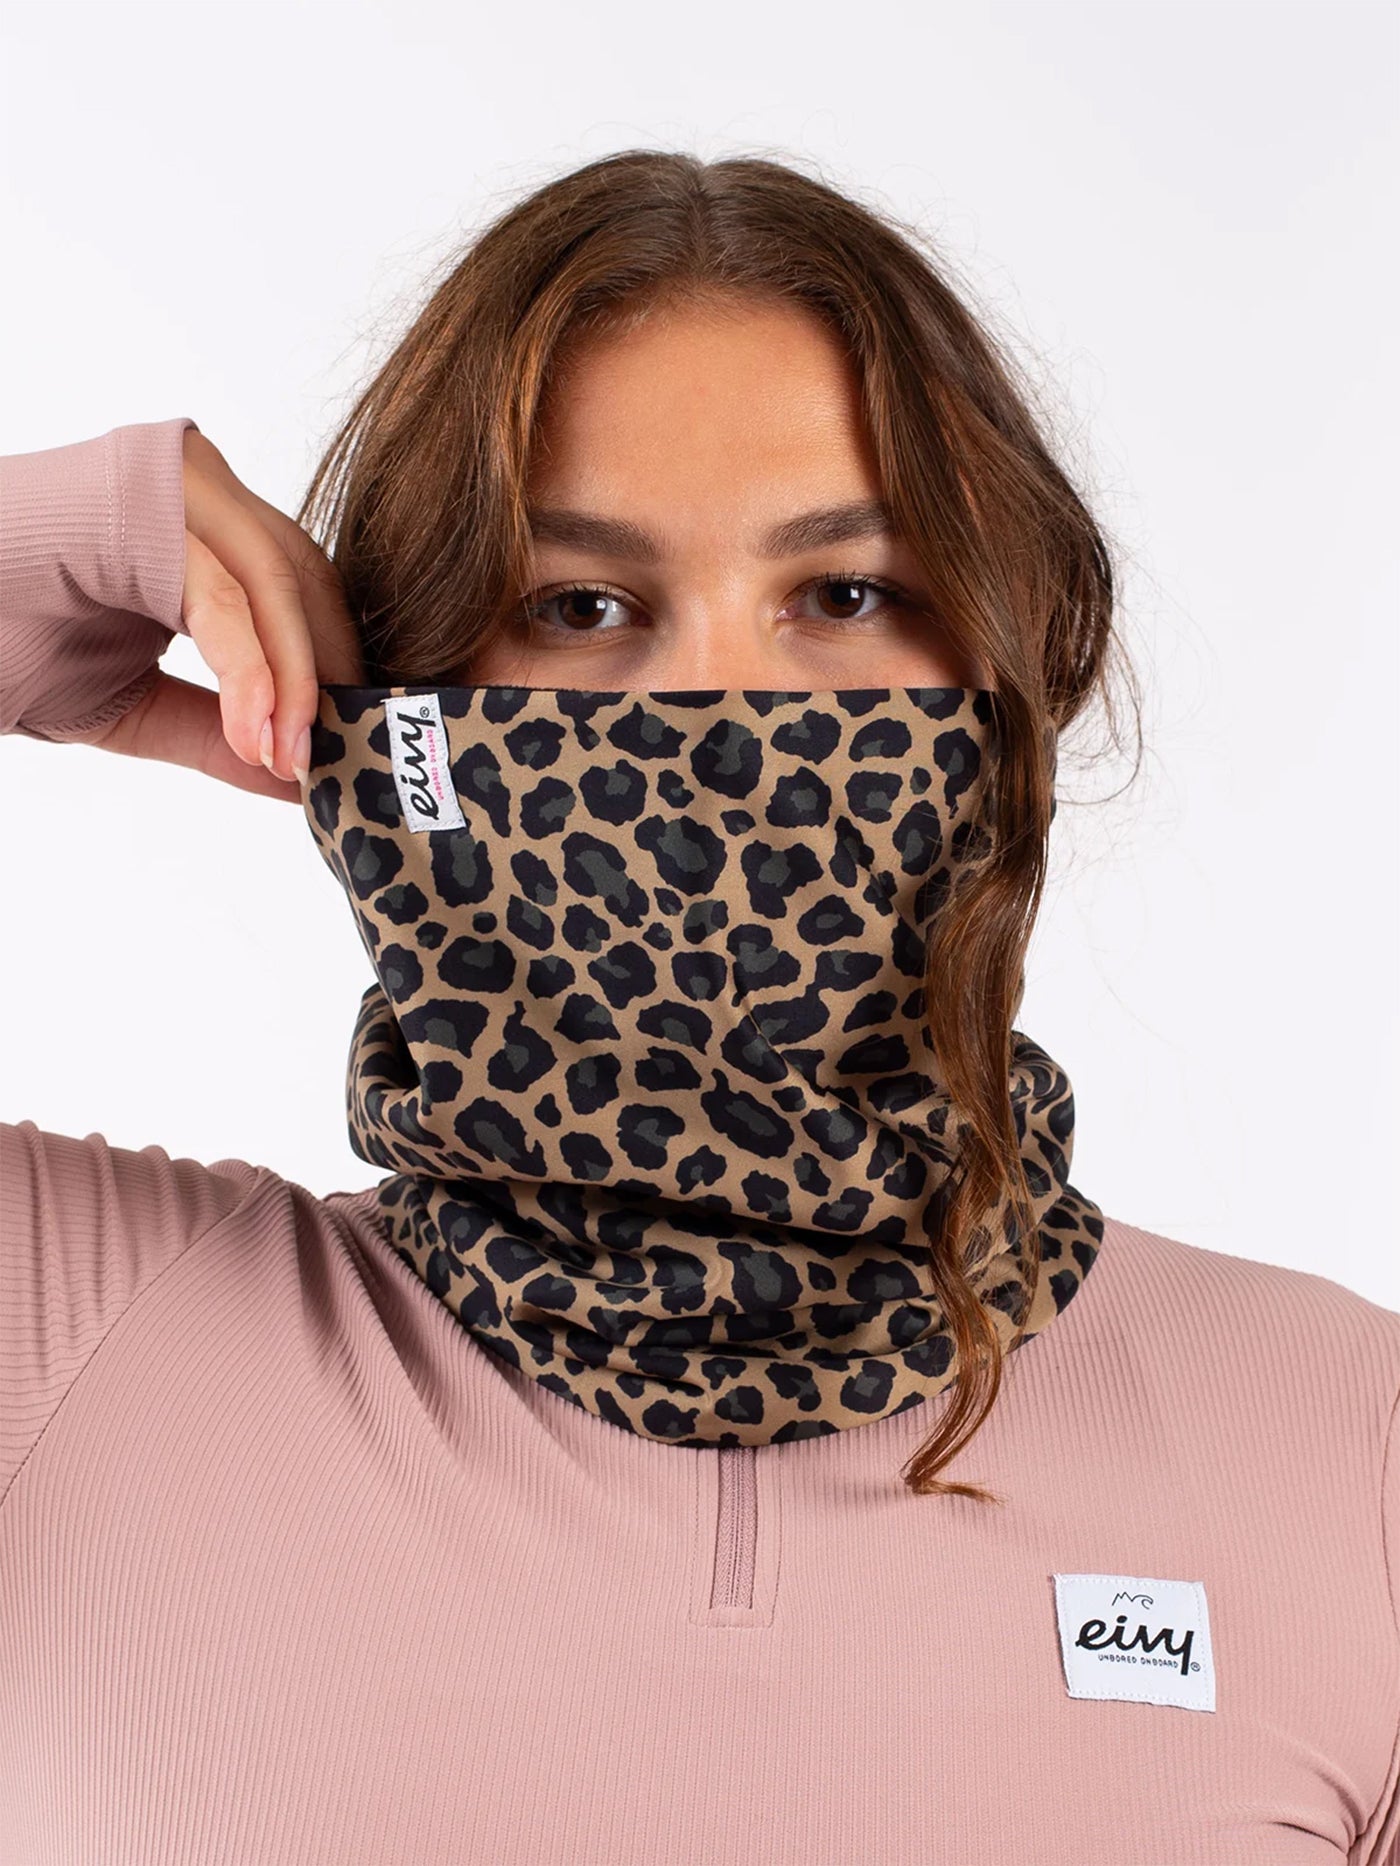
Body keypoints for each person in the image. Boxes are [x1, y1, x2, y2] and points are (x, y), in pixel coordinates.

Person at [1, 149, 1396, 1865]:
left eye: (847, 596)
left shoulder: (1351, 1449)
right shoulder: (62, 1342)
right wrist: (58, 543)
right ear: (407, 712)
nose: (720, 713)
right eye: (578, 606)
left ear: (1012, 676)